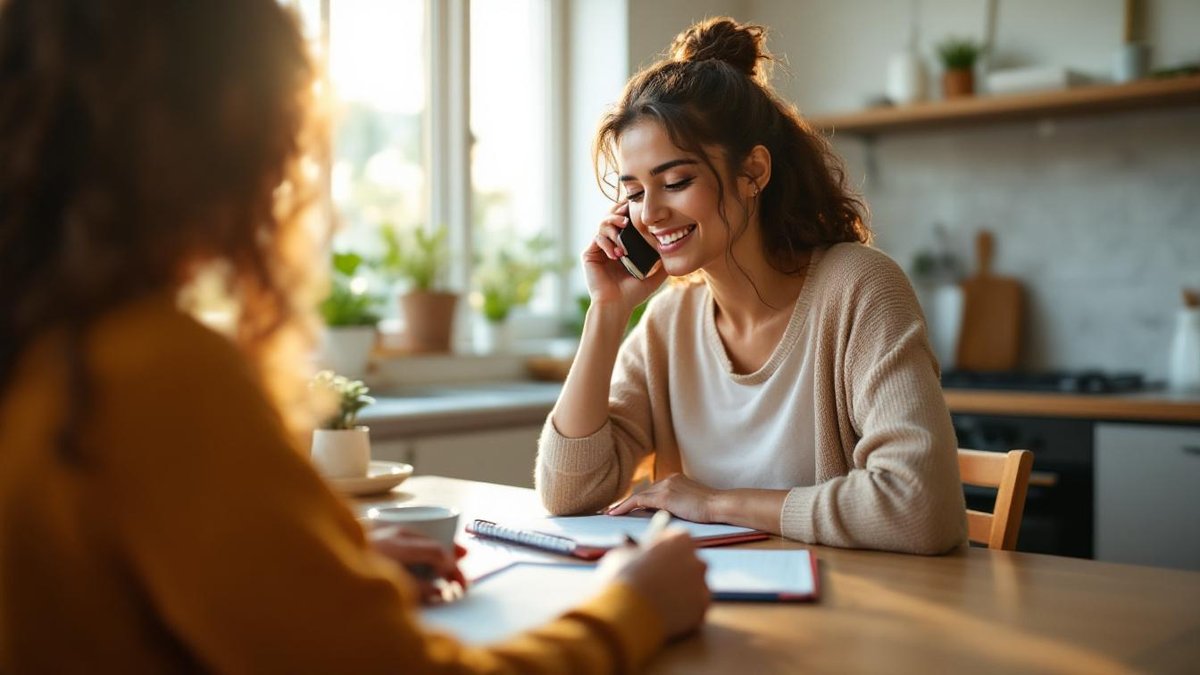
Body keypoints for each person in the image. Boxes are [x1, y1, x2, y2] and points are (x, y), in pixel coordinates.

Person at [0, 1, 709, 672]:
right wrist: (632, 606)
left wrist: (308, 567)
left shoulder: (45, 346)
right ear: (231, 120)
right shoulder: (150, 368)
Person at [537, 17, 966, 555]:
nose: (651, 213)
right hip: (722, 612)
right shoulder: (670, 321)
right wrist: (606, 312)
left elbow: (920, 508)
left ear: (754, 172)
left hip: (862, 617)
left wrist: (716, 503)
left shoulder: (860, 288)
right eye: (634, 192)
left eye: (676, 182)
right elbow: (567, 493)